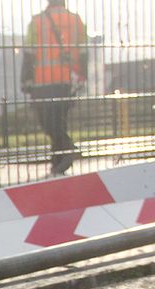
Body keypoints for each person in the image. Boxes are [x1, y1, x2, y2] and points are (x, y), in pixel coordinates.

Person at [21, 0, 88, 175]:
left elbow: (29, 53)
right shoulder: (76, 20)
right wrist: (82, 75)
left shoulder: (37, 22)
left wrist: (26, 80)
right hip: (66, 81)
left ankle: (67, 148)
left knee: (48, 123)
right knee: (59, 121)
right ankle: (57, 164)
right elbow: (83, 52)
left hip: (43, 81)